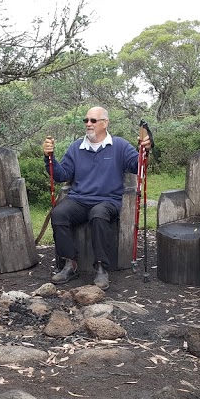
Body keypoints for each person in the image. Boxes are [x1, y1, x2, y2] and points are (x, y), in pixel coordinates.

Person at [42, 106, 150, 290]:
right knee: (59, 213)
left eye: (93, 120)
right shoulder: (77, 147)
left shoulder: (120, 146)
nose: (88, 124)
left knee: (98, 214)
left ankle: (101, 267)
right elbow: (61, 175)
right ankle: (70, 264)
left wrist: (144, 151)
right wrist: (49, 158)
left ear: (105, 123)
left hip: (108, 200)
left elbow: (138, 167)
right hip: (79, 199)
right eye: (86, 120)